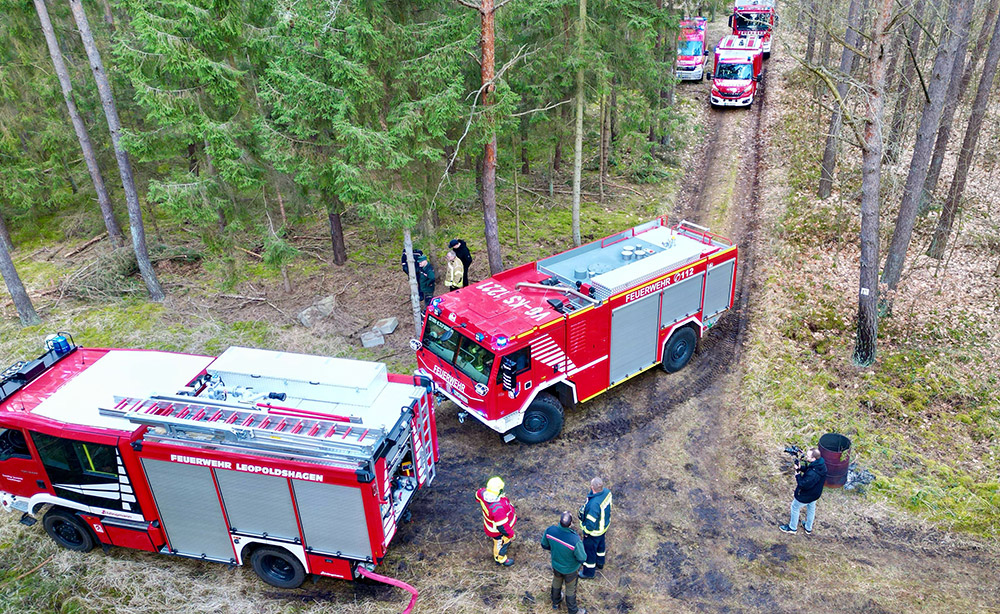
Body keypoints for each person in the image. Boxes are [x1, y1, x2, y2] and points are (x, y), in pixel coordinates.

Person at [541, 512, 588, 614]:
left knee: (556, 581)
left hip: (556, 565)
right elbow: (582, 558)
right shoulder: (575, 540)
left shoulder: (550, 531)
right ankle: (573, 611)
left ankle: (555, 602)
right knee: (570, 589)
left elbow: (544, 545)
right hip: (570, 570)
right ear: (570, 524)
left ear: (560, 521)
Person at [780, 448, 827, 535]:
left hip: (807, 495)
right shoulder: (820, 464)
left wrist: (797, 474)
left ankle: (792, 528)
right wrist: (801, 468)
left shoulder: (813, 474)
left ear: (814, 458)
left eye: (808, 456)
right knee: (811, 508)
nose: (806, 457)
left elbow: (803, 484)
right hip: (815, 494)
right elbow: (810, 469)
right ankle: (808, 528)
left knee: (795, 507)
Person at [475, 476, 518, 566]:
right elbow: (502, 527)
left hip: (491, 525)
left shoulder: (482, 493)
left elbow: (477, 496)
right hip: (497, 531)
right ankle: (500, 558)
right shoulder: (498, 509)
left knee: (501, 539)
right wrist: (510, 535)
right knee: (499, 542)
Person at [578, 477, 612, 578]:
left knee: (589, 552)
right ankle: (600, 562)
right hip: (603, 527)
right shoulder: (607, 493)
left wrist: (586, 532)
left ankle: (588, 573)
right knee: (601, 545)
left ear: (592, 487)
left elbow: (590, 524)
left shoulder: (593, 505)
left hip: (594, 532)